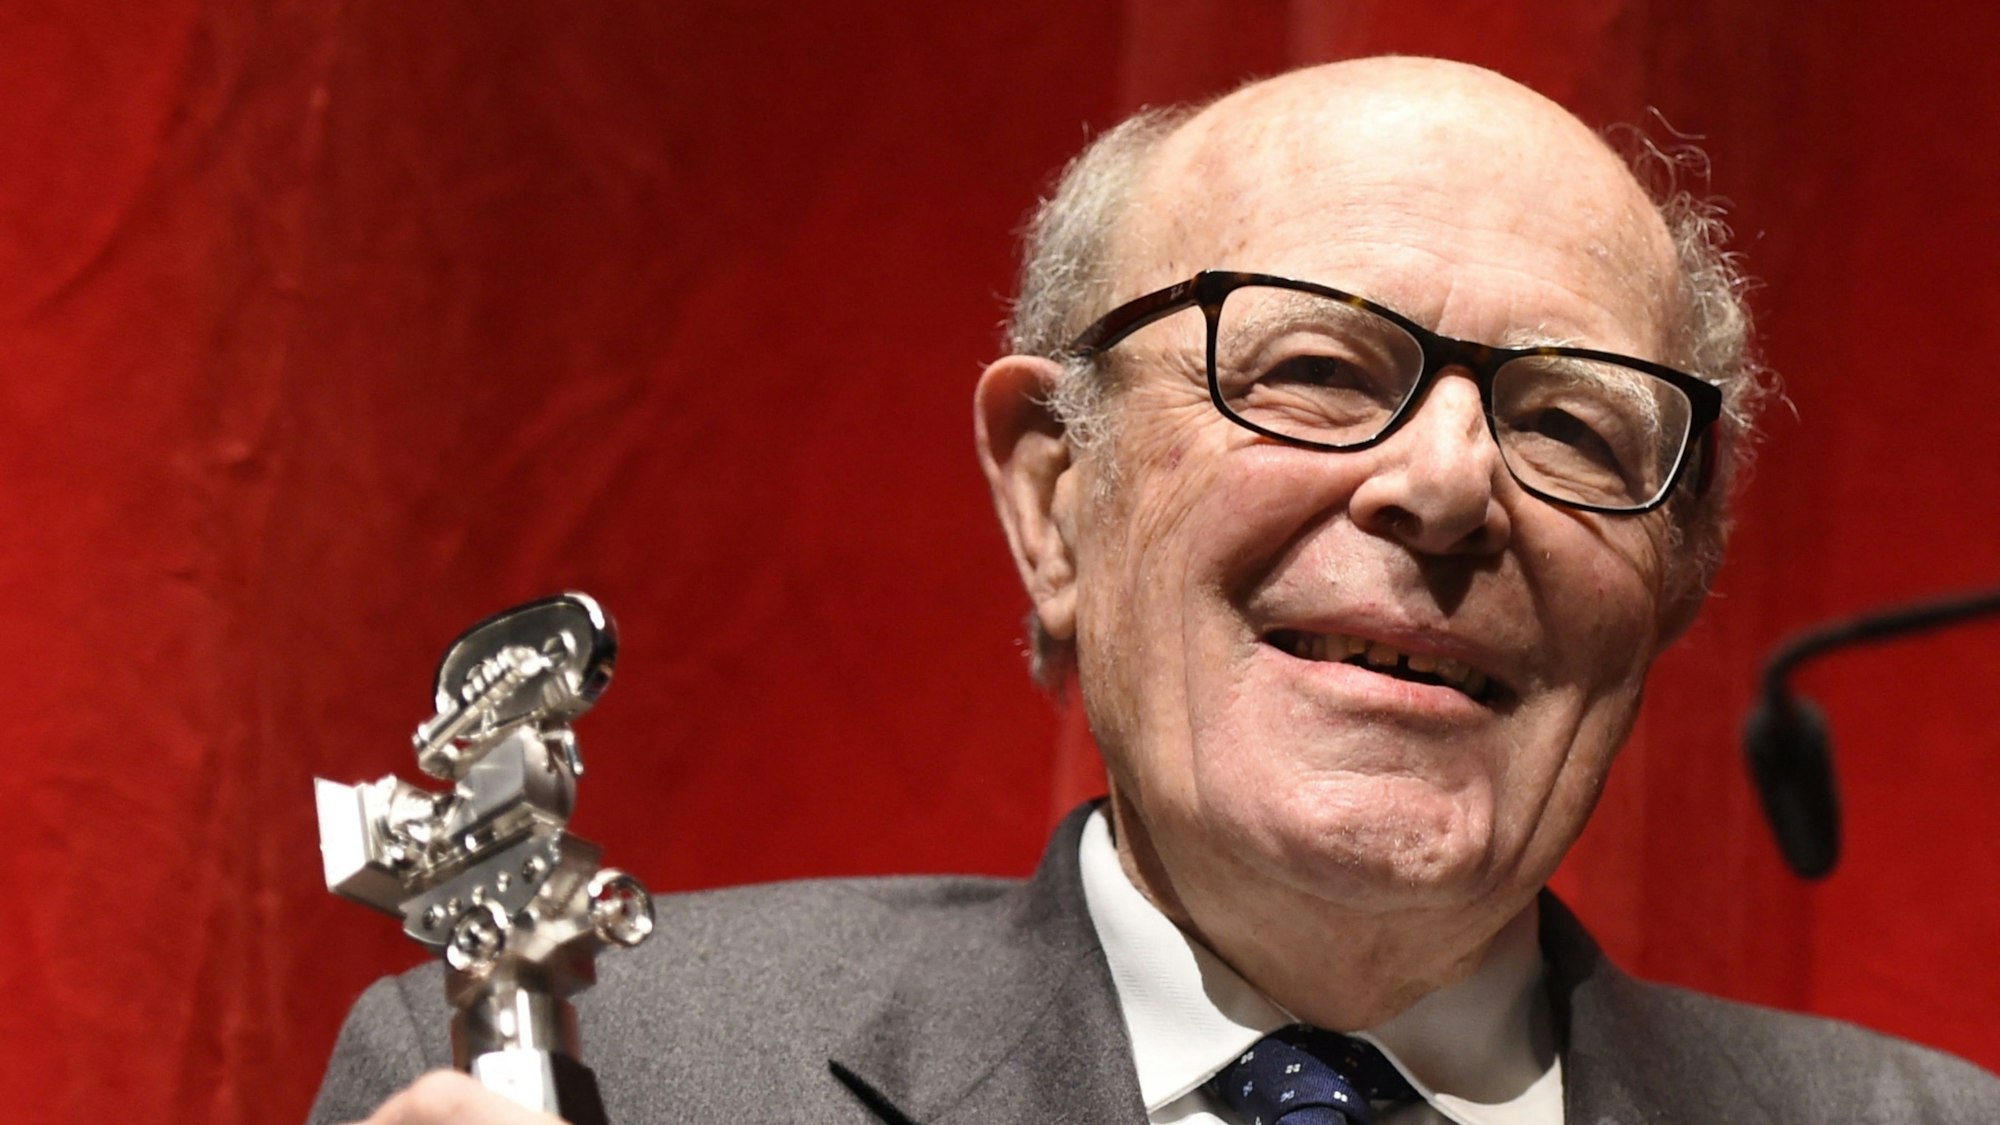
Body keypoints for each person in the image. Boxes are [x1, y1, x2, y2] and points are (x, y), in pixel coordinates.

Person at [310, 56, 2000, 1124]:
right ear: (1057, 495)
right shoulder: (607, 1071)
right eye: (1323, 367)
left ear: (1680, 574)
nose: (1446, 482)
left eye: (1569, 418)